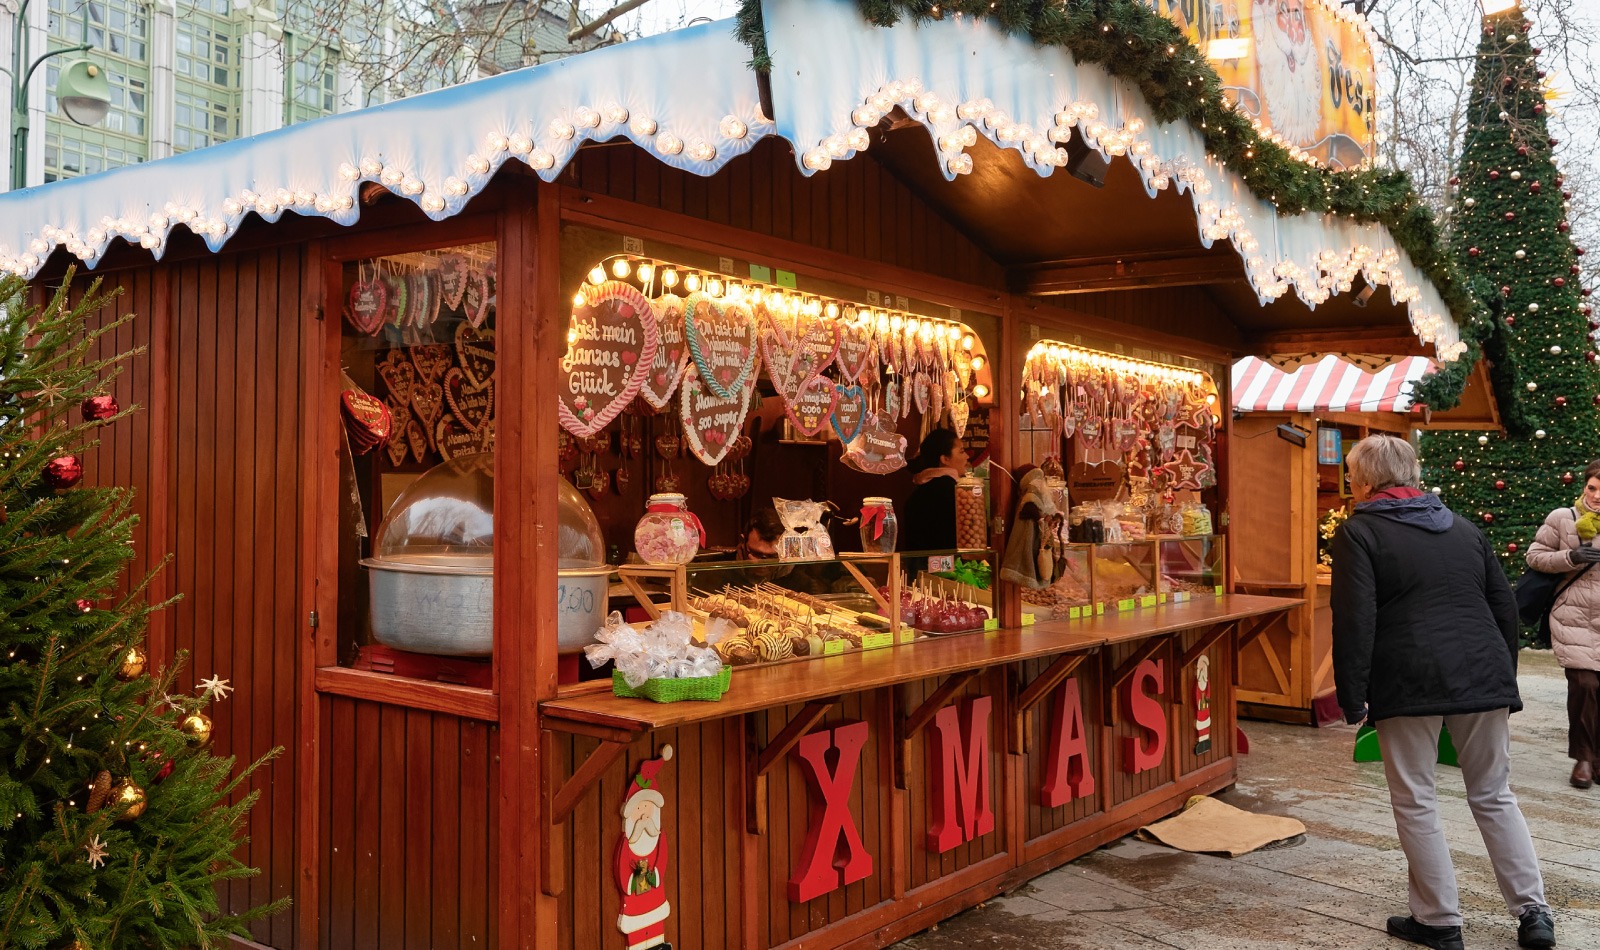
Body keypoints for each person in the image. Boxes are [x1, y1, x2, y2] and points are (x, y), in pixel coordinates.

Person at [1330, 435, 1554, 950]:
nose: (1348, 483)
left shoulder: (1358, 533)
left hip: (1408, 678)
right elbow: (1503, 607)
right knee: (1495, 795)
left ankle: (1437, 919)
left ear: (1366, 480)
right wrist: (1504, 678)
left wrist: (1352, 694)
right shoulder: (1464, 528)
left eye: (1350, 474)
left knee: (1416, 799)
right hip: (1483, 674)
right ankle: (1533, 912)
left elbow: (1356, 620)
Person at [1524, 459, 1600, 790]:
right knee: (1584, 684)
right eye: (1592, 487)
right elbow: (1535, 556)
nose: (1596, 496)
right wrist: (1570, 559)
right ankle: (1584, 758)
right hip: (1573, 617)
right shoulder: (1563, 518)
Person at [902, 428, 968, 551]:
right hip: (950, 566)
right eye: (961, 451)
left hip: (919, 567)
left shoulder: (917, 492)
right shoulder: (953, 491)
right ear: (945, 459)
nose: (967, 456)